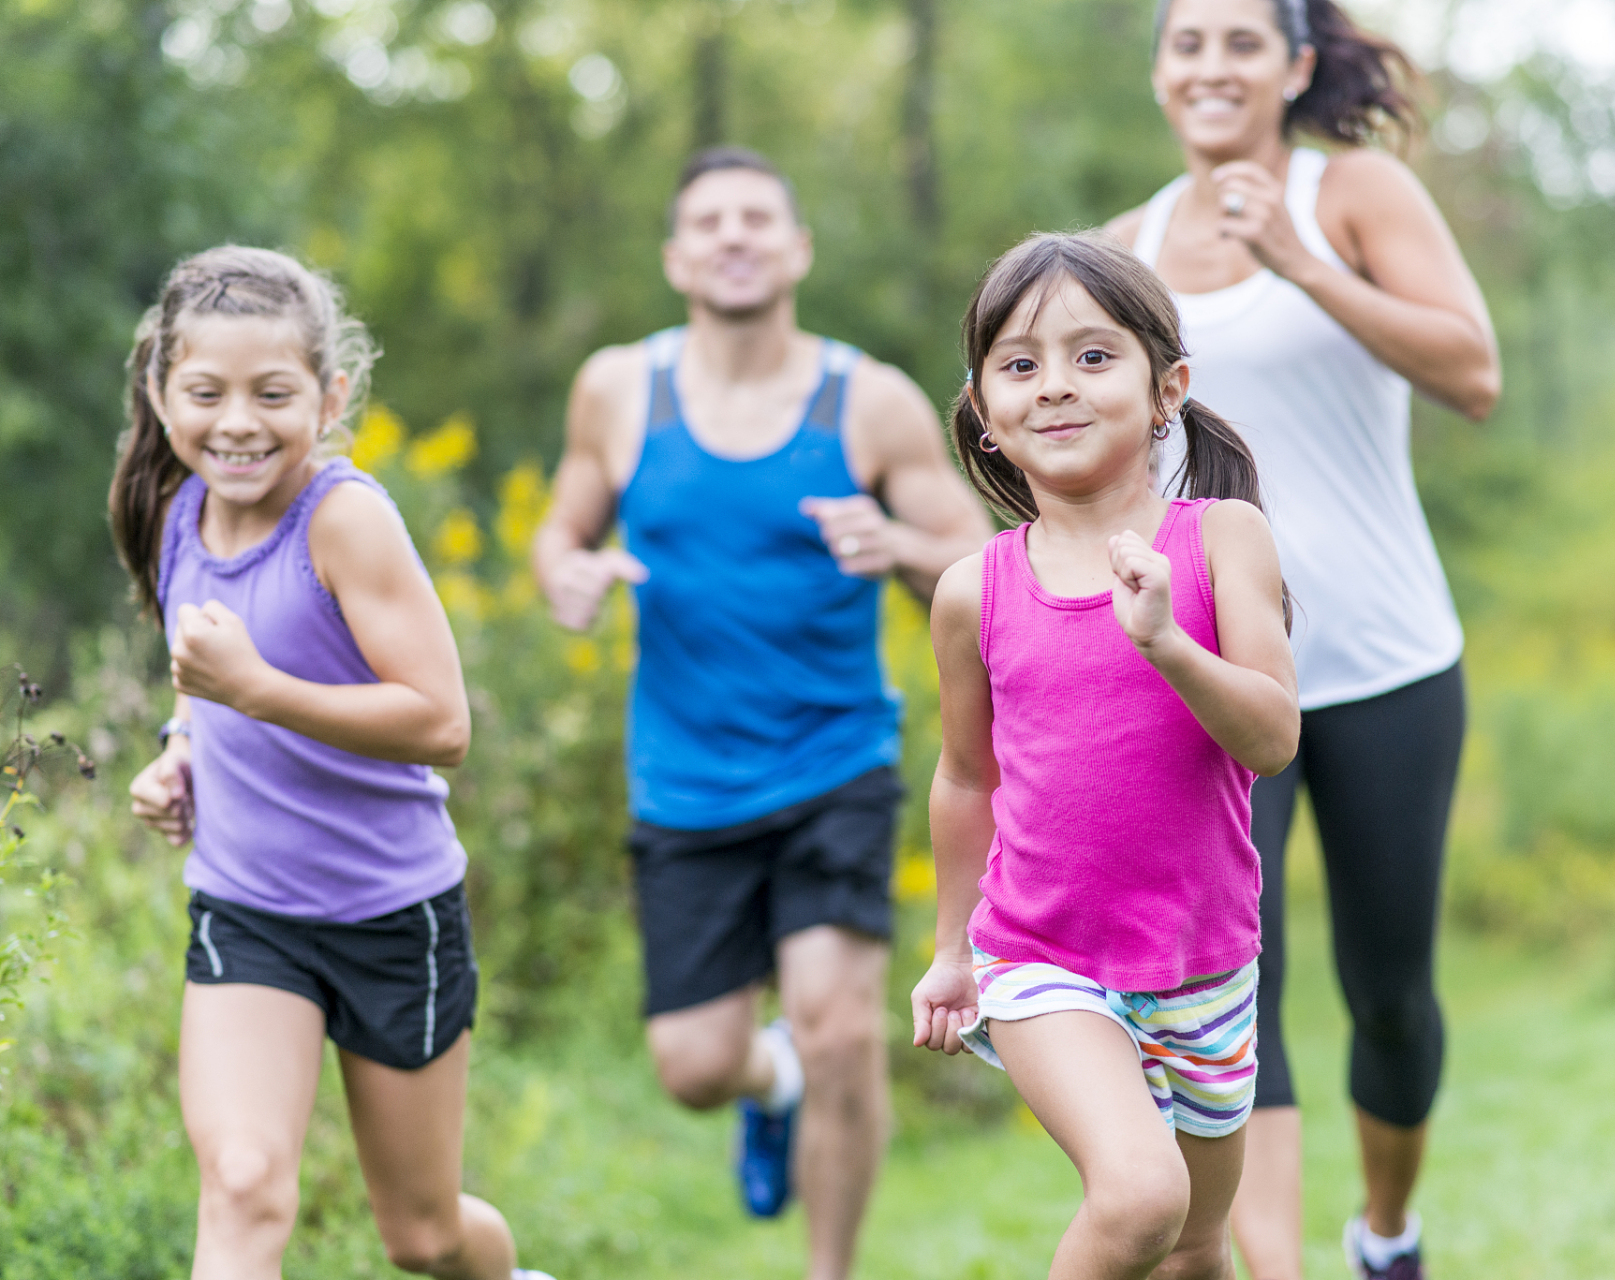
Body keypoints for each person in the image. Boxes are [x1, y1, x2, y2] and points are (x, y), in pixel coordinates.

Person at [531, 148, 991, 1279]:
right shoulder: (618, 389)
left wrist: (901, 550)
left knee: (841, 1029)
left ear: (797, 250)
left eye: (756, 219)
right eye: (709, 221)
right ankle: (765, 1080)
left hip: (836, 760)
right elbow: (558, 534)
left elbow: (982, 568)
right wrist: (568, 577)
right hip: (683, 778)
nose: (733, 236)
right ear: (677, 255)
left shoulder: (867, 399)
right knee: (693, 1063)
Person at [1107, 2, 1503, 1277]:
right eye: (1186, 42)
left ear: (1293, 65)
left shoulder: (1353, 192)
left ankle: (1386, 1231)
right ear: (1159, 72)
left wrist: (1300, 261)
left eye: (1239, 41)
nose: (1209, 65)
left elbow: (1472, 372)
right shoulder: (1125, 248)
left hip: (1388, 658)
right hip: (1222, 676)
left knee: (1388, 988)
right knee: (1237, 992)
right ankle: (1270, 1263)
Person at [112, 247, 550, 1280]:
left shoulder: (345, 520)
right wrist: (180, 748)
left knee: (424, 1234)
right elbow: (203, 666)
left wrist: (255, 689)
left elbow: (440, 720)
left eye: (273, 393)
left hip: (392, 913)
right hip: (247, 909)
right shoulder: (180, 511)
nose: (237, 423)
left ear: (331, 393)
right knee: (245, 1180)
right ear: (161, 391)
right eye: (205, 392)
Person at [911, 231, 1301, 1280]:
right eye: (1020, 364)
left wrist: (1169, 644)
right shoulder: (972, 590)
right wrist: (953, 949)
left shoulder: (1222, 540)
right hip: (1041, 956)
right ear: (985, 415)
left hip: (1204, 960)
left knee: (1195, 1245)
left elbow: (1270, 736)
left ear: (1164, 385)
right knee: (1137, 1195)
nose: (1054, 387)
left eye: (1093, 355)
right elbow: (965, 777)